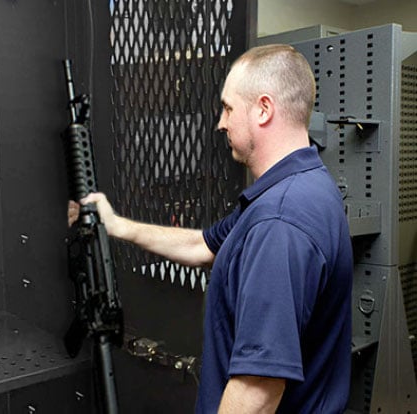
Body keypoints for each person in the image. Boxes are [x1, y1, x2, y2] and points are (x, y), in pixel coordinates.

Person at [67, 44, 352, 413]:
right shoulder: (301, 187)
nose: (221, 122)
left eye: (229, 107)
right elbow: (204, 246)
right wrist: (118, 225)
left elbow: (257, 391)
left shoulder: (279, 222)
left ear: (264, 109)